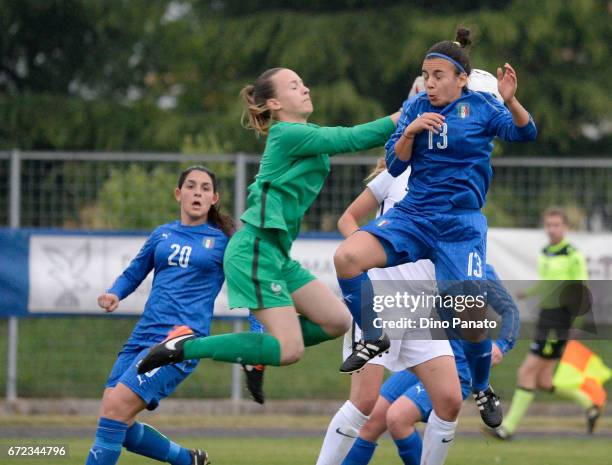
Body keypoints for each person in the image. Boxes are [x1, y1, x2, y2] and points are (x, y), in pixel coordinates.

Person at [333, 28, 537, 443]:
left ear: (461, 78)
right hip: (415, 216)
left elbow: (525, 132)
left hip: (459, 227)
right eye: (426, 75)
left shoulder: (482, 107)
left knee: (467, 315)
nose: (430, 82)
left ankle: (481, 388)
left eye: (438, 74)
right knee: (347, 258)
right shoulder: (416, 108)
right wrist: (410, 132)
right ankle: (373, 334)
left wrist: (512, 100)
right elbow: (392, 162)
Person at [138, 67, 400, 375]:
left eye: (303, 83)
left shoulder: (304, 135)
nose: (305, 89)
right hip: (254, 251)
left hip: (274, 254)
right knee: (289, 351)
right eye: (293, 86)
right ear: (274, 104)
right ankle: (183, 345)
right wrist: (409, 110)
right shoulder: (286, 133)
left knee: (338, 320)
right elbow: (353, 138)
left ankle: (257, 348)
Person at [85, 166, 233, 465]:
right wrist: (114, 293)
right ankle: (186, 459)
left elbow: (249, 288)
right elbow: (134, 272)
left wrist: (258, 334)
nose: (197, 193)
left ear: (214, 198)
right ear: (178, 193)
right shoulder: (162, 234)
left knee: (114, 412)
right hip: (143, 335)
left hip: (179, 341)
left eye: (205, 188)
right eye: (191, 186)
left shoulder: (223, 242)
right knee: (115, 421)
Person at [341, 263, 519, 465]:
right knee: (371, 421)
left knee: (398, 419)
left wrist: (501, 346)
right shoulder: (422, 259)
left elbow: (510, 311)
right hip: (420, 362)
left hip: (457, 368)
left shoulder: (477, 269)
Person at [488, 207, 599, 439]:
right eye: (549, 225)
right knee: (544, 380)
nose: (552, 229)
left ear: (566, 228)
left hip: (559, 320)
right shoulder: (546, 252)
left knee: (525, 372)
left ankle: (506, 428)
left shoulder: (572, 254)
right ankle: (590, 405)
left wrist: (577, 324)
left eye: (557, 225)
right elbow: (546, 283)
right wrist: (527, 293)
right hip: (545, 317)